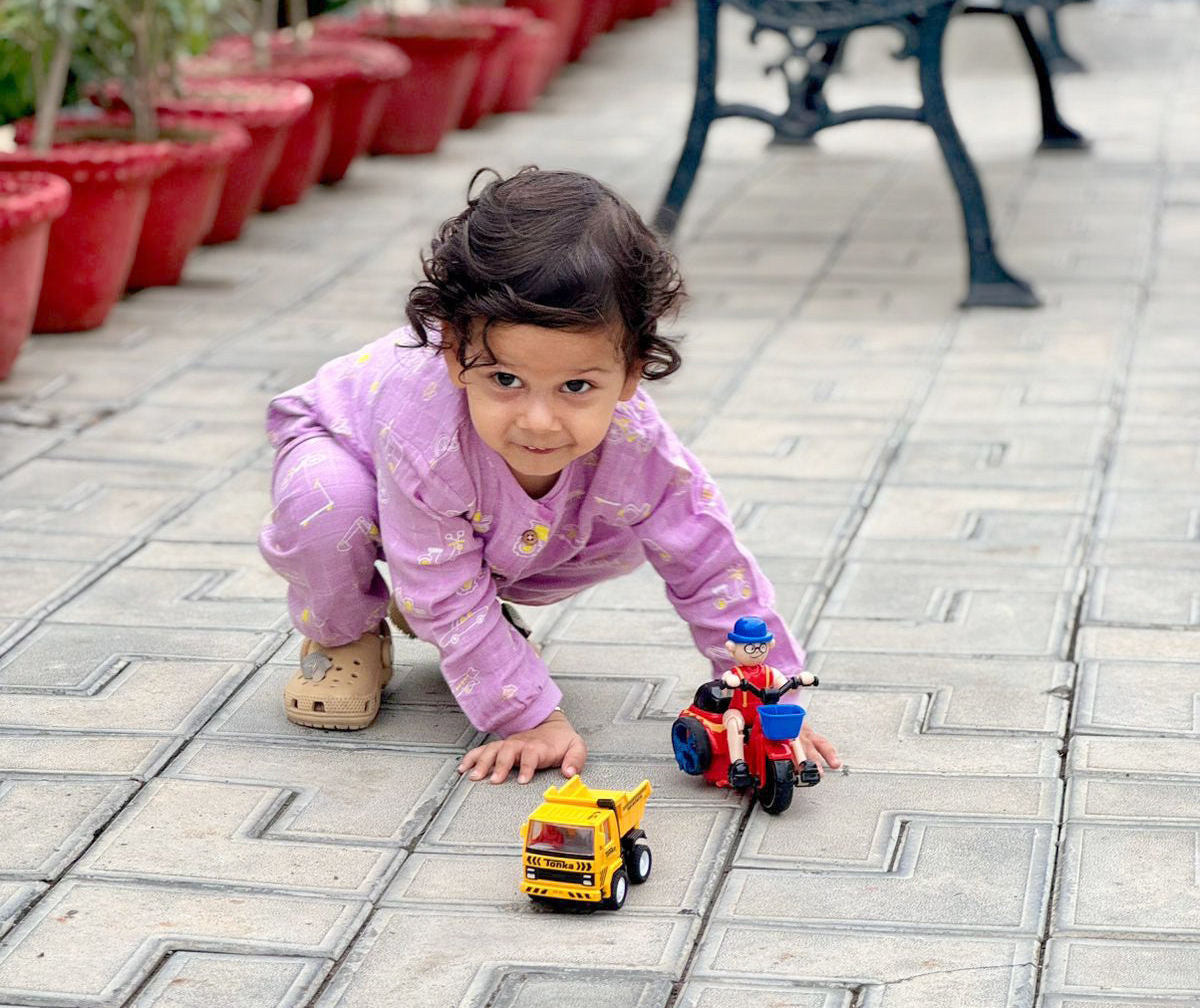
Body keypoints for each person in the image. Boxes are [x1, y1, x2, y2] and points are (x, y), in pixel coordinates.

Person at [259, 167, 842, 785]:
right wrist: (528, 715)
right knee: (331, 505)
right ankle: (346, 634)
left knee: (633, 524)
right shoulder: (425, 434)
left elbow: (709, 560)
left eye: (576, 386)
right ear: (455, 352)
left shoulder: (634, 442)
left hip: (486, 521)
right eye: (505, 380)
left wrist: (769, 698)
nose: (539, 421)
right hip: (346, 452)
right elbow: (443, 587)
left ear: (632, 372)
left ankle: (461, 609)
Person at [720, 616, 818, 788]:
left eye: (761, 646)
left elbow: (786, 684)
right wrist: (730, 681)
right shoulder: (736, 672)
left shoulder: (769, 672)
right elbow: (727, 679)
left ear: (769, 646)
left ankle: (803, 763)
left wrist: (800, 680)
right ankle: (738, 764)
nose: (757, 650)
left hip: (765, 712)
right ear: (733, 648)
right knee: (735, 723)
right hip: (740, 711)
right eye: (751, 647)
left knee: (788, 728)